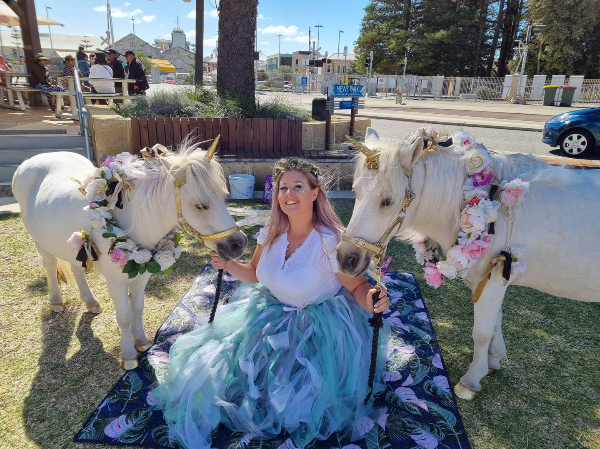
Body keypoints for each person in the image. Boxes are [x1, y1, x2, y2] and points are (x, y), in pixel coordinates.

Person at [151, 157, 391, 449]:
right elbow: (253, 275)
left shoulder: (331, 241)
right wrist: (228, 265)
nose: (289, 194)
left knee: (297, 398)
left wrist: (373, 302)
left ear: (315, 193)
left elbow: (357, 287)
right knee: (228, 377)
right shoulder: (272, 232)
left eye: (298, 187)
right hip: (269, 313)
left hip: (317, 327)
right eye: (283, 188)